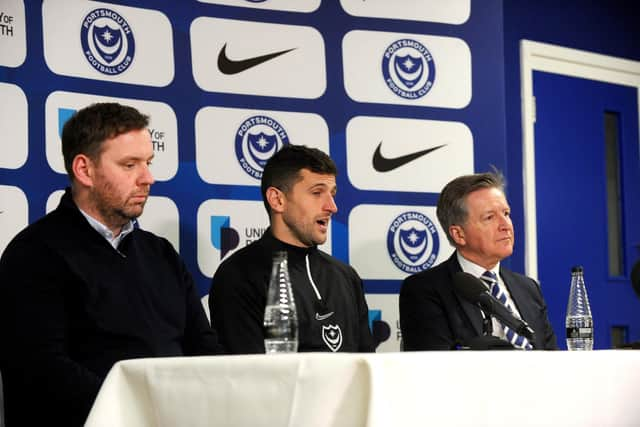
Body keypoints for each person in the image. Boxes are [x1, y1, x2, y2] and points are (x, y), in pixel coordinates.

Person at [0, 103, 224, 426]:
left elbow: (205, 351)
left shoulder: (162, 255)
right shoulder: (34, 254)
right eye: (130, 165)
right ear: (84, 170)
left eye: (148, 162)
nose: (148, 178)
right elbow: (42, 371)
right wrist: (146, 413)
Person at [209, 145, 374, 353]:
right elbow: (248, 377)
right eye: (317, 193)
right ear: (278, 200)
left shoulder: (346, 277)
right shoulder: (239, 276)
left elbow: (367, 367)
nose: (332, 207)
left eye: (332, 194)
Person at [399, 171, 558, 350]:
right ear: (459, 234)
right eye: (489, 217)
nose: (505, 225)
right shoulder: (425, 290)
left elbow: (552, 358)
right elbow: (435, 368)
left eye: (506, 213)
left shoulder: (528, 288)